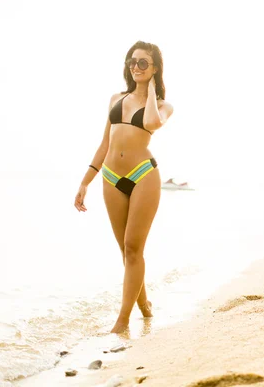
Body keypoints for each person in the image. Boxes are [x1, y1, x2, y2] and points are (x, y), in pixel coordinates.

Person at [73, 41, 174, 333]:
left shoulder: (164, 105)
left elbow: (153, 122)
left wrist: (152, 89)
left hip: (143, 175)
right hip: (110, 178)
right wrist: (85, 181)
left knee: (133, 247)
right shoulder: (116, 99)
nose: (136, 66)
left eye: (144, 62)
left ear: (155, 68)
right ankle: (144, 307)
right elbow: (105, 143)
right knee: (126, 251)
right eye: (132, 61)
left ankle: (122, 321)